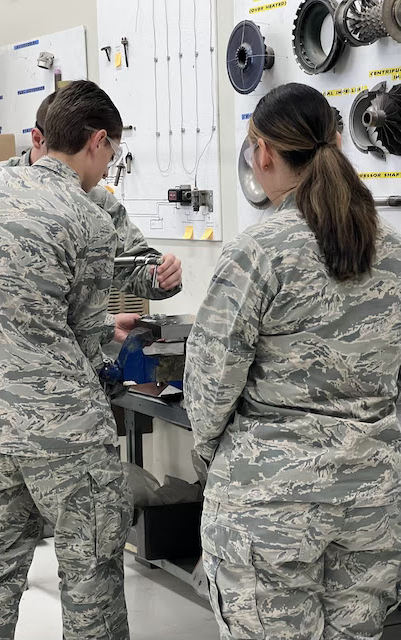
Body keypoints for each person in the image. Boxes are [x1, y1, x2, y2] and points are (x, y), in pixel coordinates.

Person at [0, 90, 182, 640]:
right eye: (111, 153)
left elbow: (129, 270)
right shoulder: (88, 218)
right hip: (62, 430)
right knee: (91, 583)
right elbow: (89, 334)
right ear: (96, 142)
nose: (110, 164)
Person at [184, 83, 401, 640]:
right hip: (374, 501)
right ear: (337, 142)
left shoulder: (258, 252)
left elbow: (210, 384)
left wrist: (212, 458)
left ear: (262, 154)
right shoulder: (392, 251)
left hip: (270, 501)